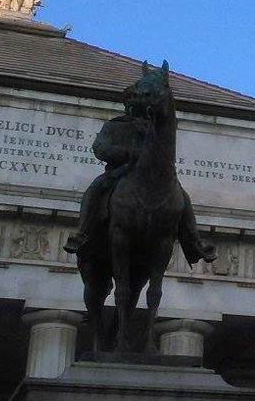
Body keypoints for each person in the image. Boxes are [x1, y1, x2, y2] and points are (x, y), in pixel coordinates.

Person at [64, 79, 211, 265]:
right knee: (96, 188)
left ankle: (194, 243)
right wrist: (128, 153)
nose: (135, 102)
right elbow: (100, 148)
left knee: (182, 197)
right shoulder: (115, 125)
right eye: (132, 98)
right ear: (126, 103)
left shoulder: (155, 128)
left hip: (153, 178)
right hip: (119, 173)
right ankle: (82, 233)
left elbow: (166, 154)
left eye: (138, 98)